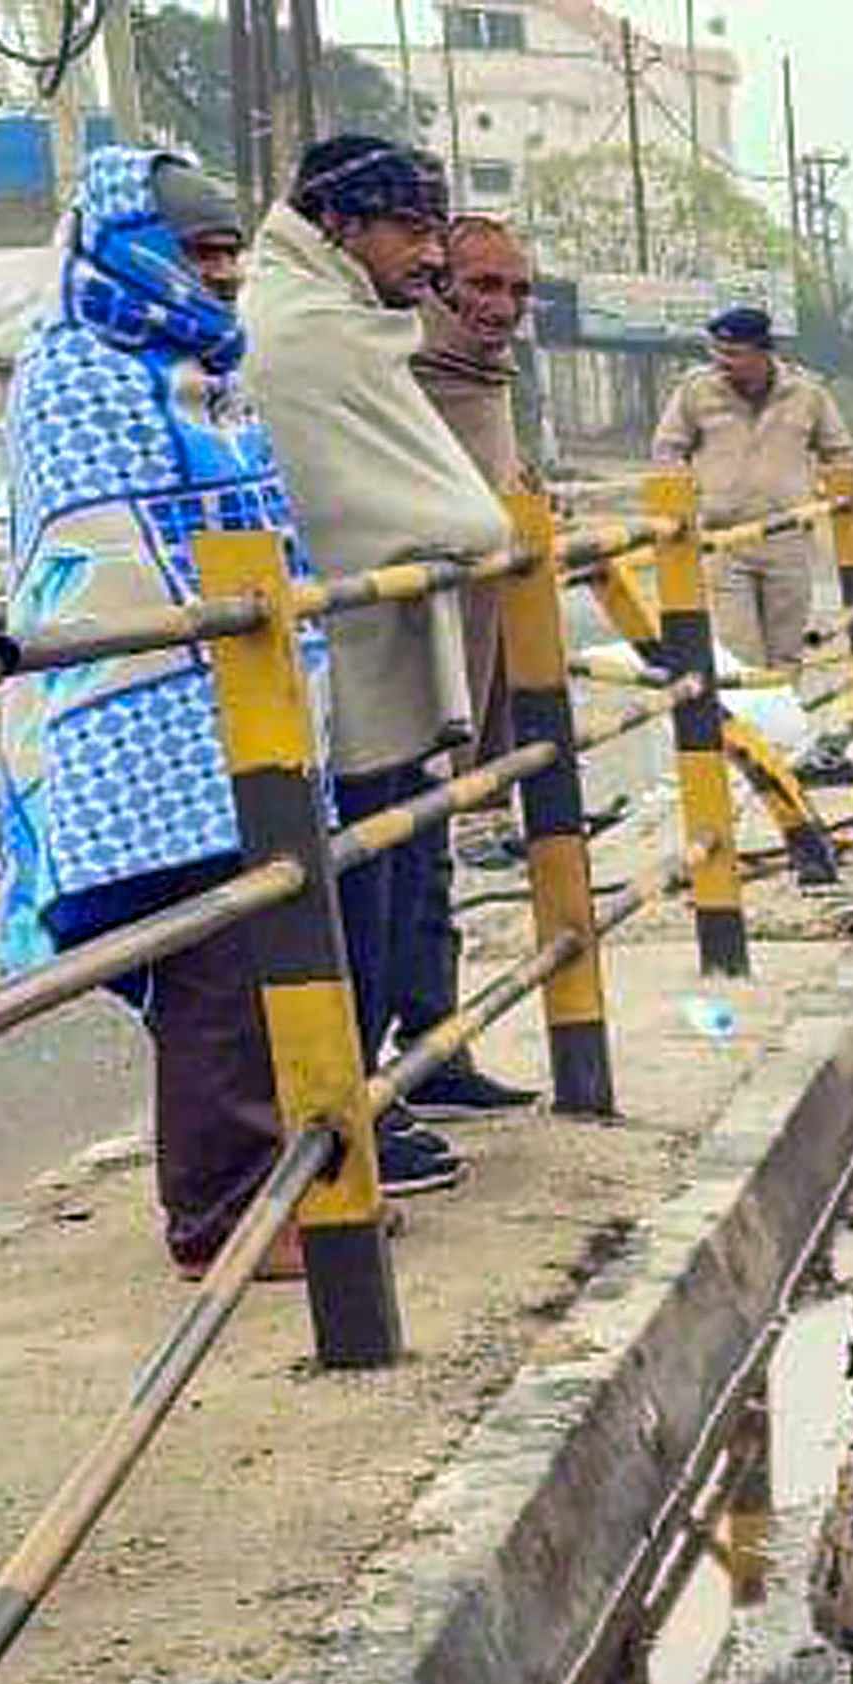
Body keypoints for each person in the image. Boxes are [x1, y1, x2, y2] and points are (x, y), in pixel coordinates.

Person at [0, 146, 335, 1278]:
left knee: (256, 956)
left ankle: (279, 1185)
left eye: (233, 249)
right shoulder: (79, 369)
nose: (225, 271)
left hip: (236, 705)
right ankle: (221, 1219)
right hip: (139, 722)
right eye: (200, 250)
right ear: (133, 246)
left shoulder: (201, 368)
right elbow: (108, 551)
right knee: (212, 973)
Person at [242, 133, 509, 1196]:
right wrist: (473, 527)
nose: (429, 252)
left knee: (401, 878)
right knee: (353, 893)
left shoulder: (350, 323)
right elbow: (418, 507)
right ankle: (342, 1126)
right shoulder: (302, 334)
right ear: (341, 225)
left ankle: (395, 1084)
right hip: (334, 670)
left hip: (383, 663)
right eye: (411, 227)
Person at [390, 210, 540, 1115]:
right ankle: (384, 1081)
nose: (502, 307)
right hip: (404, 655)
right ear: (440, 281)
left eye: (518, 290)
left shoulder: (487, 377)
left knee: (431, 864)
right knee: (390, 867)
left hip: (480, 657)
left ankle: (436, 1048)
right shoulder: (400, 370)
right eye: (483, 286)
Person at [651, 304, 853, 678]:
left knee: (786, 654)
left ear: (763, 352)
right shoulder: (696, 391)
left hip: (787, 540)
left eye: (732, 353)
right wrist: (690, 499)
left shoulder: (807, 393)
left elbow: (838, 451)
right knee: (738, 655)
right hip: (724, 542)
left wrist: (823, 497)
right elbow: (667, 450)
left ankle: (783, 735)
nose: (720, 361)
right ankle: (752, 734)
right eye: (715, 351)